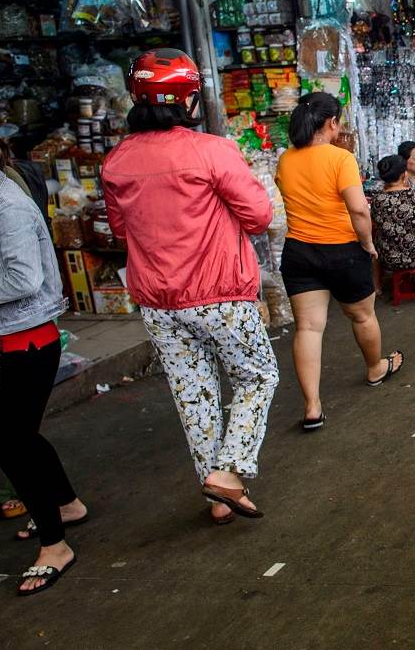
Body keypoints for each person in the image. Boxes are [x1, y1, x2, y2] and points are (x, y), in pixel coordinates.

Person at [103, 48, 279, 525]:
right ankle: (229, 470)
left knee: (193, 393)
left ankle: (218, 499)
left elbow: (121, 231)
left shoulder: (117, 162)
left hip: (158, 302)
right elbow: (259, 217)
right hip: (219, 292)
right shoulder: (212, 150)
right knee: (257, 376)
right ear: (190, 100)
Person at [0, 111, 83, 595]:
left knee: (12, 445)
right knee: (20, 436)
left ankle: (55, 545)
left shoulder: (6, 206)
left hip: (26, 341)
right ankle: (66, 505)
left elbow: (23, 279)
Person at [277, 92, 402, 431]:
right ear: (331, 123)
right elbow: (359, 209)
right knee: (361, 315)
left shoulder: (285, 160)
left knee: (307, 327)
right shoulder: (340, 158)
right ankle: (375, 367)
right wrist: (368, 244)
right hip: (343, 249)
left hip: (299, 252)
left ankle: (312, 406)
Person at [369, 154, 415, 272]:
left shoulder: (377, 200)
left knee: (376, 239)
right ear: (404, 174)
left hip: (391, 259)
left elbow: (375, 226)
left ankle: (377, 287)